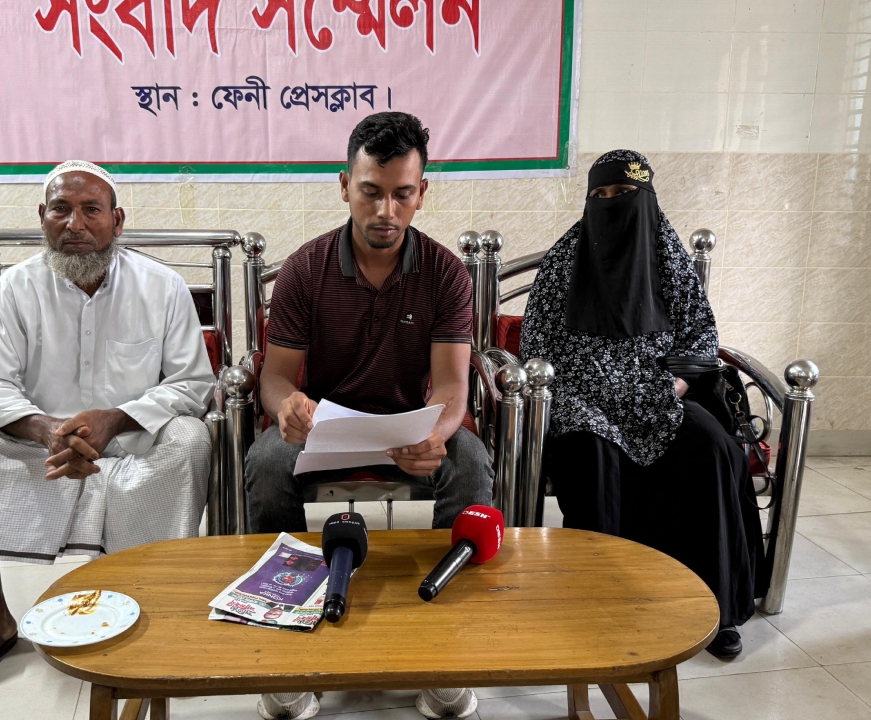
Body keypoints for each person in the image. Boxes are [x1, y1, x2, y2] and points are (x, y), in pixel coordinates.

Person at [0, 161, 215, 709]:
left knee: (190, 440)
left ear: (117, 221)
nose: (75, 224)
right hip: (39, 445)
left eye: (91, 210)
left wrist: (115, 419)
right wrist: (48, 429)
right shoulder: (16, 287)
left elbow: (192, 383)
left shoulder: (162, 286)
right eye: (61, 209)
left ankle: (154, 608)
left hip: (132, 440)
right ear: (42, 216)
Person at [244, 113, 492, 719]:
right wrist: (287, 407)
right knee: (268, 463)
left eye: (402, 194)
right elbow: (275, 377)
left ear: (422, 192)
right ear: (344, 185)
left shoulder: (444, 273)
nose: (386, 210)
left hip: (411, 426)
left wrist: (436, 433)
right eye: (371, 191)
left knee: (469, 462)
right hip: (323, 429)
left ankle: (446, 644)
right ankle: (287, 640)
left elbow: (452, 384)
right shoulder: (306, 269)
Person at [519, 150, 764, 659]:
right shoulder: (564, 262)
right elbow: (536, 346)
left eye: (625, 194)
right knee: (592, 454)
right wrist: (589, 390)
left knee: (713, 448)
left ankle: (711, 606)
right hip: (581, 398)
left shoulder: (668, 257)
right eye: (601, 195)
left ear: (647, 199)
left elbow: (701, 337)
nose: (612, 204)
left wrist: (673, 387)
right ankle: (600, 601)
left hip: (659, 394)